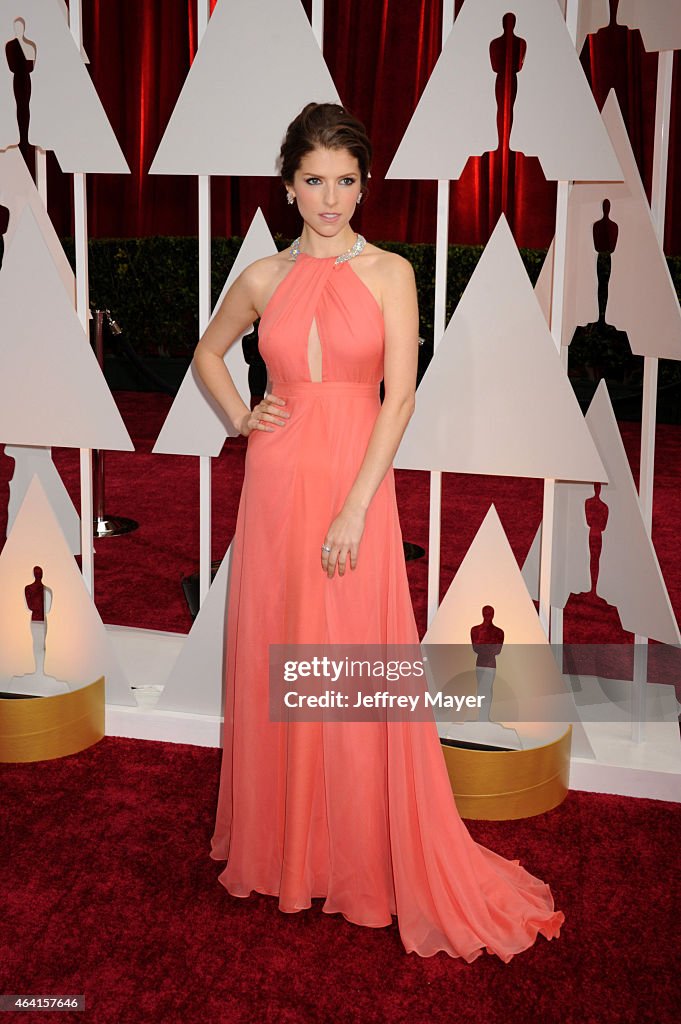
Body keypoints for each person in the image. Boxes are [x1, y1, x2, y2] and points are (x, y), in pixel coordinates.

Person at [192, 102, 563, 961]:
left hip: (353, 479)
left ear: (364, 185)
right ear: (289, 187)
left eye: (346, 181)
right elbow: (208, 353)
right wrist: (244, 416)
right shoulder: (260, 277)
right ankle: (289, 849)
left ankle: (353, 848)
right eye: (315, 181)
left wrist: (358, 505)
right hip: (278, 477)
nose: (331, 199)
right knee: (280, 646)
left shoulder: (392, 272)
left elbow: (399, 397)